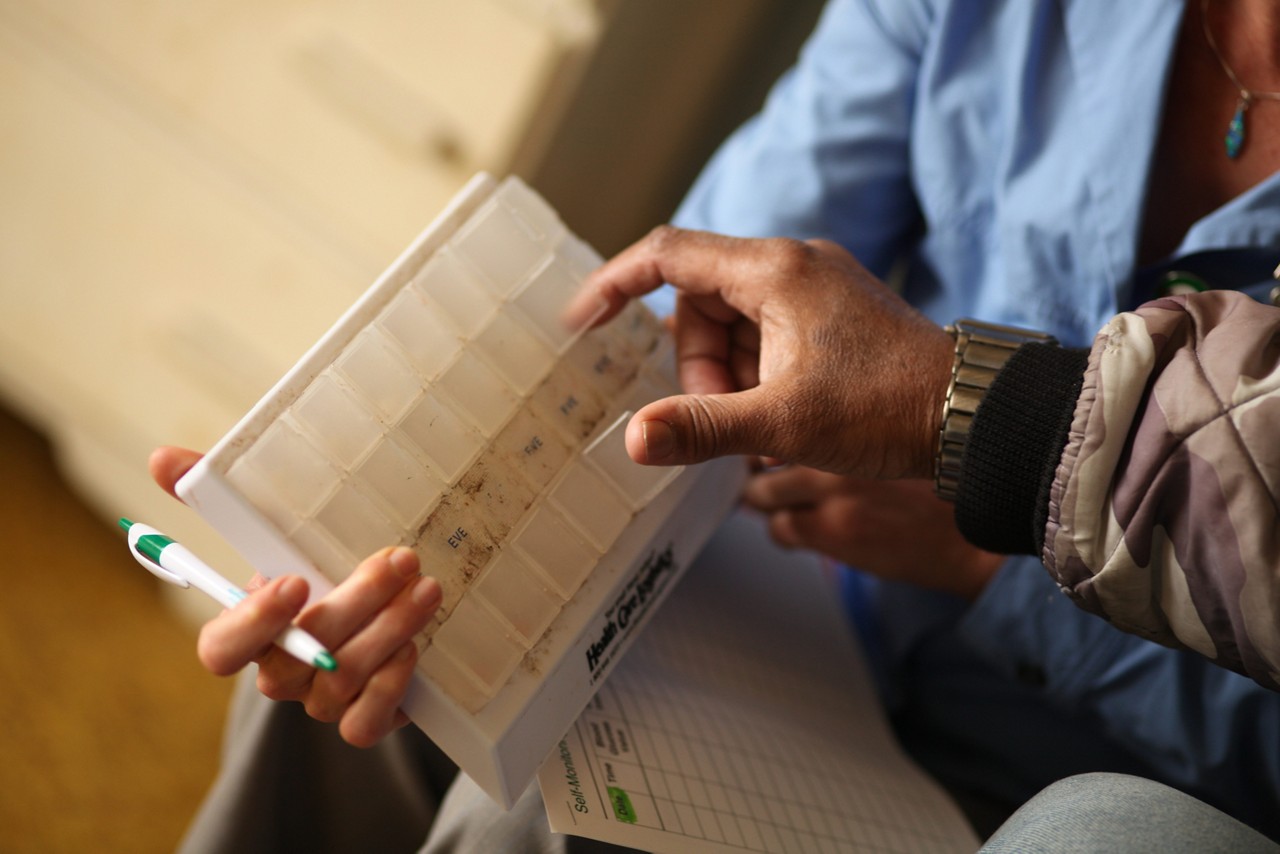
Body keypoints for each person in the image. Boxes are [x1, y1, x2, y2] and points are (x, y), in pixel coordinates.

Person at [161, 0, 1280, 849]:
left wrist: (981, 558)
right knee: (396, 667)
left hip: (1140, 766)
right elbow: (702, 290)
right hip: (818, 616)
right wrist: (438, 514)